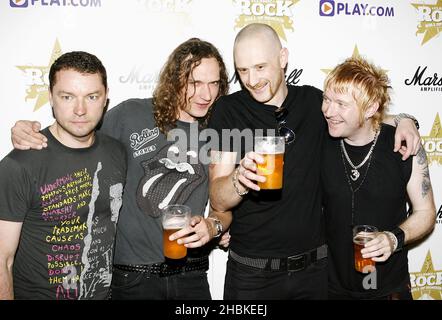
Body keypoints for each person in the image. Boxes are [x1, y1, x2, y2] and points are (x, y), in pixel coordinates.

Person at [208, 23, 421, 299]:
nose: (252, 79)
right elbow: (217, 198)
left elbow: (358, 116)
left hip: (313, 273)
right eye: (243, 70)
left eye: (260, 67)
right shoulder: (228, 110)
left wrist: (406, 120)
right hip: (252, 275)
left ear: (283, 58)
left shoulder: (313, 102)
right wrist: (238, 180)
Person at [9, 38, 231, 300]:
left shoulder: (218, 131)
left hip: (191, 276)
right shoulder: (130, 115)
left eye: (214, 83)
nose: (205, 94)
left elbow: (222, 207)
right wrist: (27, 129)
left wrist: (215, 227)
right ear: (175, 79)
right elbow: (76, 131)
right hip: (131, 279)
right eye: (194, 83)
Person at [0, 51, 127, 300]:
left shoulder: (117, 151)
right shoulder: (19, 164)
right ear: (50, 97)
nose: (80, 110)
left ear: (106, 97)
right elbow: (2, 260)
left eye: (92, 96)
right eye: (67, 97)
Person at [321, 57, 435, 300]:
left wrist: (393, 238)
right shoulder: (320, 137)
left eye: (341, 104)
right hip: (331, 289)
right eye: (326, 99)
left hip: (389, 290)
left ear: (371, 108)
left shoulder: (403, 145)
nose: (328, 111)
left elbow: (426, 213)